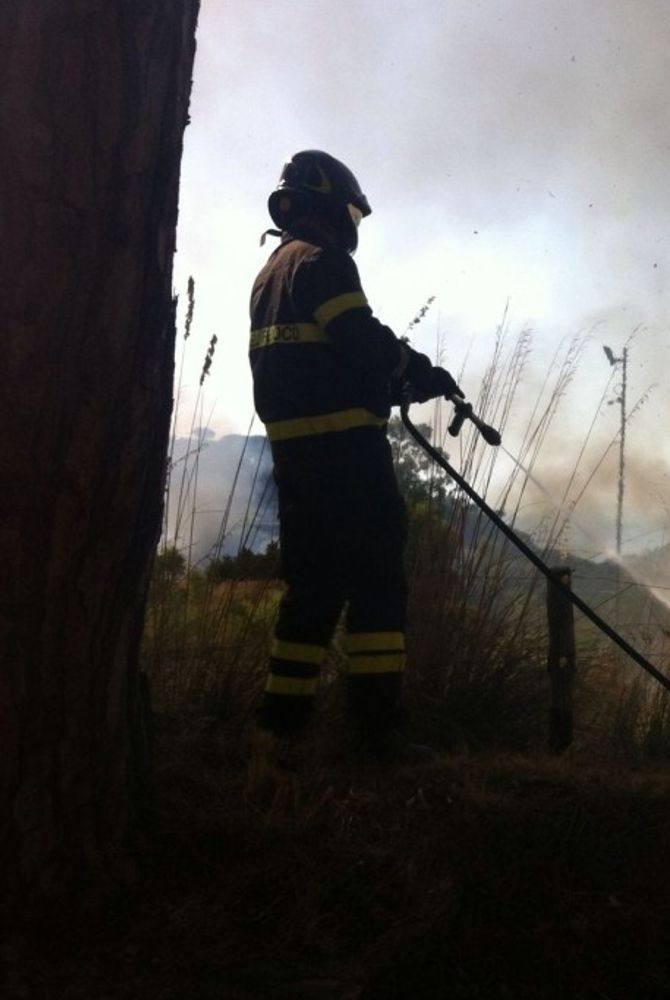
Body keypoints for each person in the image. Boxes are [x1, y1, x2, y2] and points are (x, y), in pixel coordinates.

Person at [248, 149, 456, 754]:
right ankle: (375, 731)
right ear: (330, 209)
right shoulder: (324, 262)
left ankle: (280, 730)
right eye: (351, 217)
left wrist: (383, 382)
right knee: (376, 583)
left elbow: (316, 359)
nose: (352, 230)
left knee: (311, 588)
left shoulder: (269, 276)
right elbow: (360, 339)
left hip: (295, 463)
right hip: (347, 456)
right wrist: (416, 369)